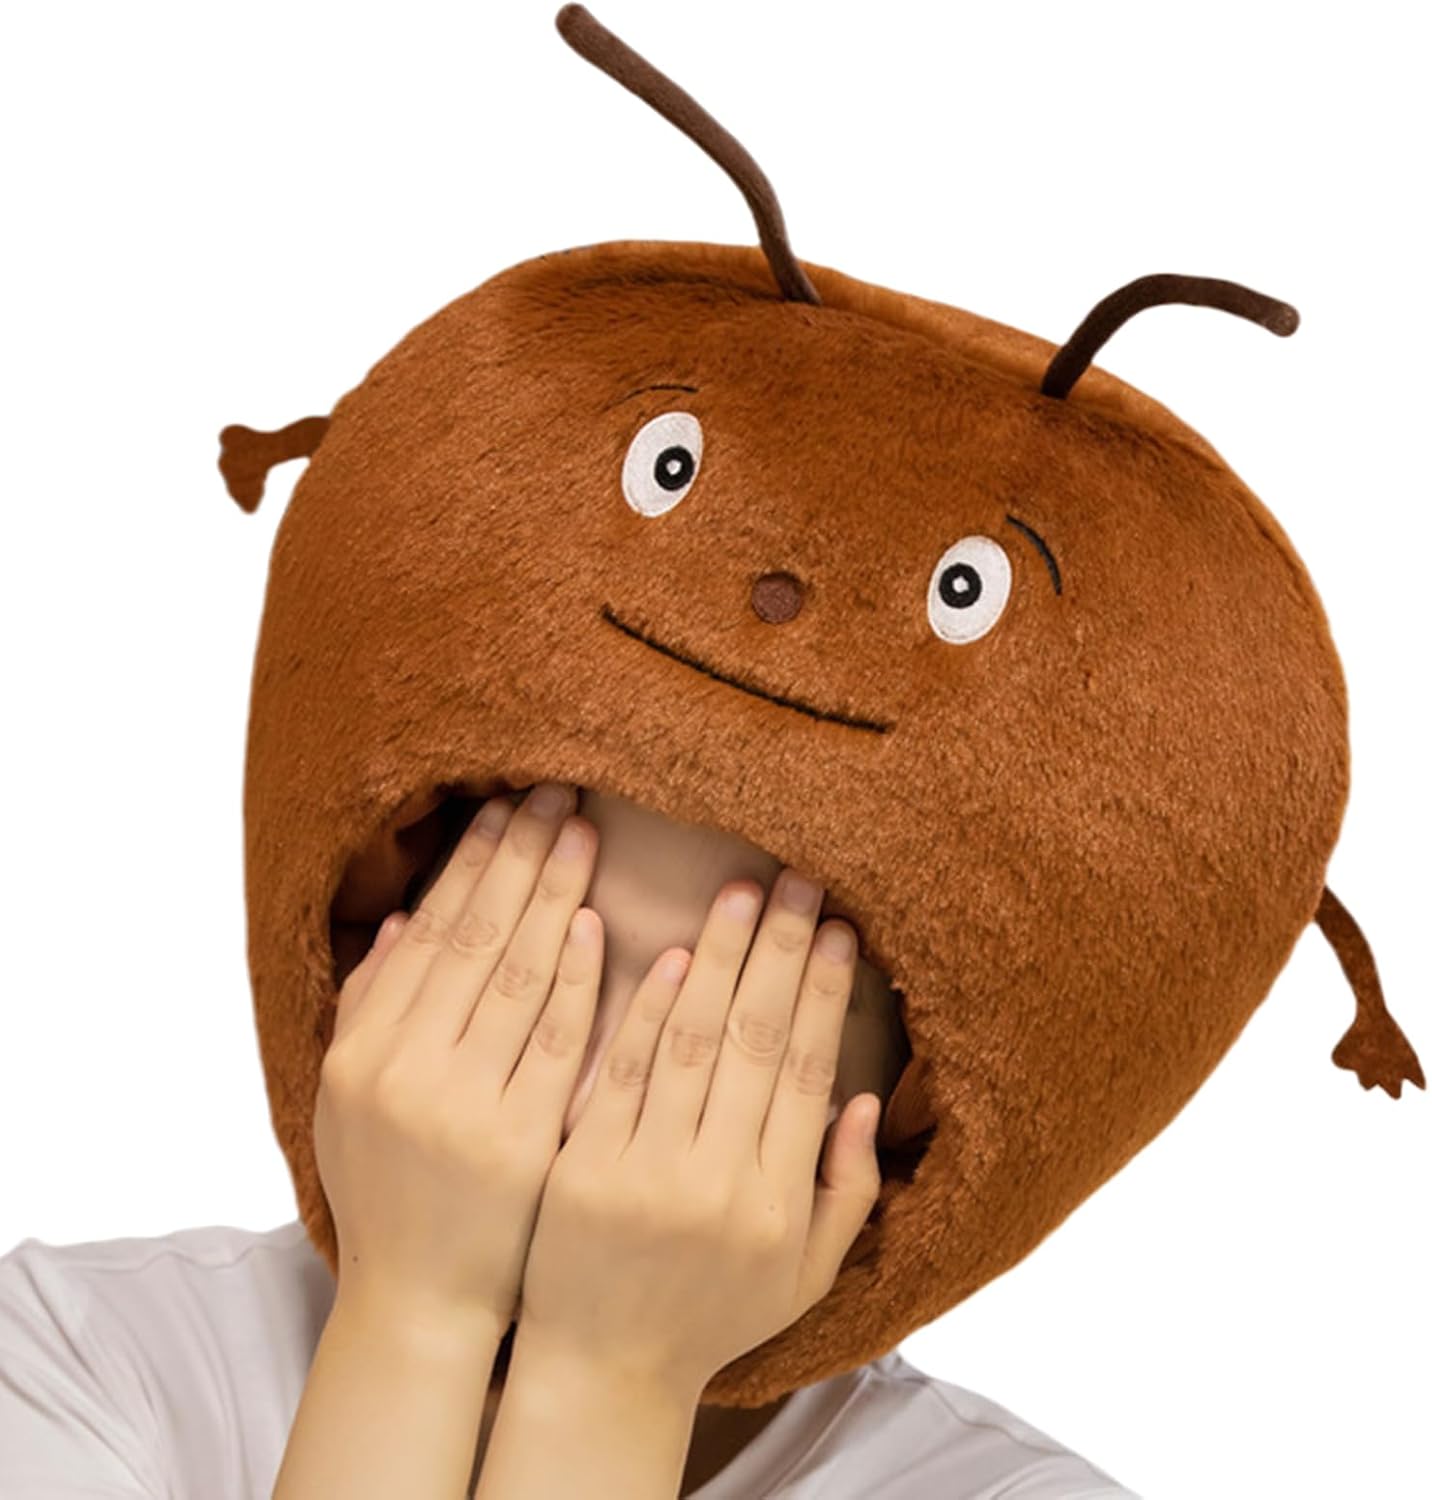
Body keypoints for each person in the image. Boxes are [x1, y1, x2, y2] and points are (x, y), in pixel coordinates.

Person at [0, 783, 1140, 1498]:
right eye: (525, 968)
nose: (591, 1116)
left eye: (718, 1037)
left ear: (881, 1143)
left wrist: (611, 1374)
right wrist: (415, 1311)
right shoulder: (73, 1355)